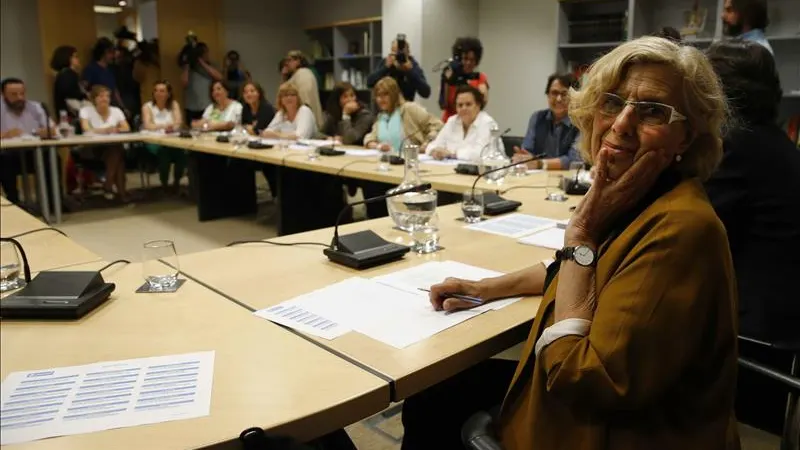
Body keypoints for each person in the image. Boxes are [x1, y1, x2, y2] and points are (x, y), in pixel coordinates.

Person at [401, 36, 739, 450]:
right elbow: (574, 268)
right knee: (431, 393)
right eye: (612, 102)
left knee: (434, 404)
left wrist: (581, 232)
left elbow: (579, 379)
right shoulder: (643, 197)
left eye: (652, 111)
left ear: (686, 137)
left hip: (612, 429)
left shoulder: (683, 229)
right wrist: (482, 288)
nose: (621, 124)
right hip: (590, 408)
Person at [705, 40, 800, 436]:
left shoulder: (737, 148)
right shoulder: (776, 143)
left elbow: (687, 232)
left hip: (757, 348)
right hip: (785, 330)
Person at [0, 78, 57, 205]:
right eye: (14, 95)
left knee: (52, 157)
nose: (20, 98)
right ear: (3, 95)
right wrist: (5, 134)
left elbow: (52, 129)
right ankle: (14, 201)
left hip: (32, 152)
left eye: (22, 93)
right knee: (4, 160)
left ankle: (53, 201)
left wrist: (46, 131)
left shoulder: (36, 107)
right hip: (8, 154)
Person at [513, 73, 583, 170]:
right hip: (537, 178)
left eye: (564, 94)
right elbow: (527, 150)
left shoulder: (580, 122)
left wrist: (540, 163)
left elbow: (574, 160)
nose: (558, 99)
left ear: (574, 98)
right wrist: (523, 158)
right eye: (554, 93)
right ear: (548, 95)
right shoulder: (537, 117)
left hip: (566, 179)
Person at [79, 85, 132, 201]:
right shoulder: (86, 110)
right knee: (118, 155)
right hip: (93, 148)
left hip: (112, 146)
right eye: (101, 96)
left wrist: (116, 129)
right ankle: (120, 192)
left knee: (116, 151)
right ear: (94, 99)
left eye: (107, 96)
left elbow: (126, 128)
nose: (105, 99)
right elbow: (86, 129)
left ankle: (109, 185)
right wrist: (104, 130)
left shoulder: (116, 111)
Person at [364, 77, 443, 153]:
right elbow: (369, 138)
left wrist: (427, 143)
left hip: (413, 159)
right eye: (378, 95)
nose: (381, 99)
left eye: (385, 94)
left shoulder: (410, 109)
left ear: (394, 95)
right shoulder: (382, 116)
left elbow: (438, 126)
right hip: (389, 159)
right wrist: (378, 146)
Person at [425, 84, 500, 161]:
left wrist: (452, 154)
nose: (464, 108)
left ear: (478, 105)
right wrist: (435, 151)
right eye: (460, 105)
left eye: (468, 104)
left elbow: (480, 153)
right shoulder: (452, 121)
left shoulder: (487, 123)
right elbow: (432, 146)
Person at [141, 81, 186, 192]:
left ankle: (176, 182)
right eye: (156, 90)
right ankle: (164, 184)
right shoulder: (147, 106)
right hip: (154, 140)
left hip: (172, 139)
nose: (158, 93)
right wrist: (164, 126)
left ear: (168, 94)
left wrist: (172, 128)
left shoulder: (174, 105)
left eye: (162, 91)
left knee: (182, 153)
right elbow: (147, 125)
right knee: (164, 152)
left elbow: (178, 122)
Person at [439, 37, 489, 122]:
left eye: (472, 60)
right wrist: (446, 81)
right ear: (458, 59)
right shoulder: (450, 77)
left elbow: (483, 102)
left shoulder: (480, 77)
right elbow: (443, 104)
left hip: (472, 123)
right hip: (450, 123)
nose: (468, 63)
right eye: (465, 59)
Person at [366, 38, 431, 101]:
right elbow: (369, 83)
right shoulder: (386, 63)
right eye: (394, 51)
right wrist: (385, 68)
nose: (397, 55)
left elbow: (426, 93)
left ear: (407, 52)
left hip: (406, 107)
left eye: (400, 51)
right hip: (387, 107)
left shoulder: (412, 64)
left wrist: (410, 72)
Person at [182, 42, 224, 124]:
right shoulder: (189, 68)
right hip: (191, 107)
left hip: (207, 106)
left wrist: (201, 62)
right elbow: (184, 83)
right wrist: (187, 65)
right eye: (204, 53)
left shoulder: (212, 65)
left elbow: (220, 78)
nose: (207, 54)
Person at [82, 38, 125, 111]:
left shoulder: (111, 69)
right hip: (97, 107)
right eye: (110, 53)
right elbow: (83, 88)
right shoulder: (91, 69)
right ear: (103, 53)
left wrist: (122, 106)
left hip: (111, 106)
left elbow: (114, 89)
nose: (112, 56)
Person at [284, 51, 323, 128]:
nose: (287, 63)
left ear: (298, 61)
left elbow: (305, 99)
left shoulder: (303, 74)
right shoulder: (297, 75)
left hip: (306, 121)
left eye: (289, 60)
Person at [50, 45, 88, 118]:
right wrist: (85, 95)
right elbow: (72, 95)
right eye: (75, 57)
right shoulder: (67, 75)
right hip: (71, 116)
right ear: (67, 58)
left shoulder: (63, 75)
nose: (78, 59)